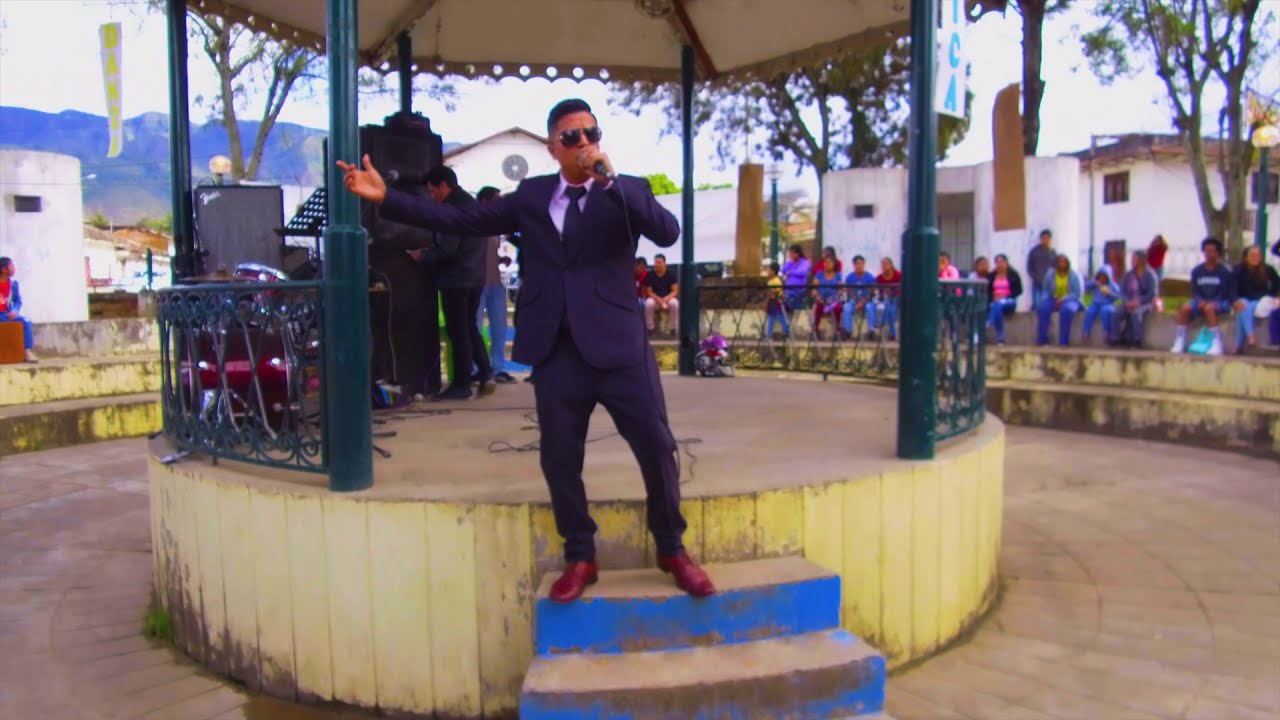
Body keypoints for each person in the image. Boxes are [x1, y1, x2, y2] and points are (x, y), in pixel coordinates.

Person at [336, 98, 714, 602]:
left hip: (619, 346)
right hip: (557, 348)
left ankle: (671, 547)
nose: (584, 144)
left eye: (591, 133)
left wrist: (611, 181)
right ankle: (580, 554)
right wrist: (389, 198)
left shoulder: (626, 190)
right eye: (572, 137)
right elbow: (463, 219)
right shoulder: (532, 196)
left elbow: (667, 231)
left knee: (657, 447)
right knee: (559, 457)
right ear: (554, 146)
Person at [419, 165, 492, 399]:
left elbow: (448, 250)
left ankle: (461, 384)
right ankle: (485, 373)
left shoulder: (450, 210)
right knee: (469, 327)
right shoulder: (472, 205)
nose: (432, 197)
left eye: (432, 191)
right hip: (476, 276)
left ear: (444, 185)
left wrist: (422, 256)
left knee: (458, 331)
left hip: (456, 278)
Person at [475, 186, 516, 384]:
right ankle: (476, 369)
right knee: (475, 326)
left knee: (499, 326)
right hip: (476, 282)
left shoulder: (496, 224)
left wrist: (501, 261)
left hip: (495, 281)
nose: (500, 203)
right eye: (496, 199)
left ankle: (498, 368)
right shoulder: (473, 221)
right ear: (484, 201)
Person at [1170, 237, 1235, 356]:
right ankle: (1180, 340)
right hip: (1201, 301)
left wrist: (1213, 303)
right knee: (1185, 308)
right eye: (1206, 251)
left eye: (1212, 251)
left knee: (1209, 308)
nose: (1208, 254)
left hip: (1220, 302)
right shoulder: (1197, 271)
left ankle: (1216, 342)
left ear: (1218, 253)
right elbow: (1195, 291)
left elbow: (1227, 292)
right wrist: (1200, 301)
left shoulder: (1225, 272)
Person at [1230, 245, 1280, 354]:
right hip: (1243, 300)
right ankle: (1250, 337)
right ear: (1245, 257)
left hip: (1261, 300)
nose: (1255, 258)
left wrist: (1276, 296)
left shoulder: (1267, 269)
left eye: (1258, 255)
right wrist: (1234, 301)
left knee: (1244, 308)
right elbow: (1231, 288)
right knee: (1243, 305)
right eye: (1252, 255)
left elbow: (1277, 285)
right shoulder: (1238, 270)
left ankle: (1240, 344)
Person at [1111, 250, 1157, 347]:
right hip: (1129, 301)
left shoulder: (1150, 275)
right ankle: (1115, 339)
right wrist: (1127, 302)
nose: (1132, 261)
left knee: (1136, 313)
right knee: (1116, 313)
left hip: (1145, 303)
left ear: (1141, 260)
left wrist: (1138, 302)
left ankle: (1136, 340)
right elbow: (1122, 292)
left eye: (1134, 259)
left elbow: (1152, 294)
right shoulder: (1128, 275)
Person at [1036, 254, 1082, 346]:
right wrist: (1046, 299)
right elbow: (1045, 289)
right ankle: (1042, 340)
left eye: (1064, 262)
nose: (1062, 264)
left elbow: (1077, 293)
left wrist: (1063, 299)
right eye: (1060, 261)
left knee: (1066, 310)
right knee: (1043, 308)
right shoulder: (1050, 274)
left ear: (1067, 263)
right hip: (1053, 298)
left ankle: (1063, 341)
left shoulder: (1073, 275)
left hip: (1070, 300)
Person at [0, 257, 35, 363]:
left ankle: (27, 351)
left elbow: (17, 301)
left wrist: (14, 311)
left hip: (5, 315)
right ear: (4, 269)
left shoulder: (13, 285)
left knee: (26, 322)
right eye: (12, 266)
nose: (14, 269)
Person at [985, 254, 1022, 345]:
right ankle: (1001, 338)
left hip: (1009, 301)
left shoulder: (1013, 274)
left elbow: (1019, 290)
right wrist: (993, 297)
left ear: (1006, 263)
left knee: (998, 305)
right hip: (995, 301)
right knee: (997, 307)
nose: (1000, 264)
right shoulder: (991, 276)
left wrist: (1006, 296)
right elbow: (987, 291)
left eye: (1002, 262)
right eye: (998, 262)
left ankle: (989, 322)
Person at [643, 253, 679, 337]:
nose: (657, 264)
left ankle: (673, 328)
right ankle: (650, 328)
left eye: (659, 262)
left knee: (674, 303)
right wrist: (658, 299)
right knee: (648, 303)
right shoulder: (650, 275)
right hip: (655, 299)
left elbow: (675, 291)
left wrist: (666, 299)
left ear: (664, 263)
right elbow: (649, 292)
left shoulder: (671, 274)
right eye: (656, 262)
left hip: (668, 299)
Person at [842, 255, 876, 338]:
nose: (859, 266)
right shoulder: (849, 277)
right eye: (857, 264)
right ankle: (847, 331)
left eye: (861, 263)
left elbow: (872, 292)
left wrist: (863, 302)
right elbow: (848, 291)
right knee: (847, 307)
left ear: (864, 264)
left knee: (870, 307)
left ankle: (871, 331)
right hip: (854, 301)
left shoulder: (869, 277)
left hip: (867, 301)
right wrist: (856, 301)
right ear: (854, 265)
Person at [810, 255, 844, 338]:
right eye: (825, 262)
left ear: (834, 264)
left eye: (829, 262)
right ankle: (815, 330)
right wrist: (818, 297)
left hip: (833, 300)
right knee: (819, 306)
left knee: (838, 308)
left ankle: (837, 331)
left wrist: (835, 298)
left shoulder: (838, 275)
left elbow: (841, 289)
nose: (827, 264)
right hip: (821, 299)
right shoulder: (819, 275)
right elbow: (814, 289)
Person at [1081, 269, 1119, 340]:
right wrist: (1094, 283)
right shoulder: (1095, 283)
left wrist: (1109, 294)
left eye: (1104, 277)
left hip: (1107, 303)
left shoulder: (1112, 285)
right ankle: (1086, 332)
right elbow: (1085, 287)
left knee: (1105, 311)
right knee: (1090, 312)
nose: (1102, 278)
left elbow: (1117, 296)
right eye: (1101, 276)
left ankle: (1106, 331)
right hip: (1095, 303)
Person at [872, 257, 901, 341]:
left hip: (897, 299)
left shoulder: (898, 275)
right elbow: (876, 292)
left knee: (890, 306)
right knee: (888, 307)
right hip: (885, 300)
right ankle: (892, 333)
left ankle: (880, 326)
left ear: (891, 265)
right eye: (883, 264)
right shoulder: (879, 278)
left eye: (886, 264)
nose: (884, 266)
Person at [1026, 229, 1056, 309]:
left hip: (1048, 284)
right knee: (1037, 305)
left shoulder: (1053, 253)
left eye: (1047, 238)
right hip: (1037, 283)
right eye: (1043, 238)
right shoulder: (1034, 252)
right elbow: (1029, 266)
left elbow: (1055, 268)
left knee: (1046, 305)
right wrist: (1034, 277)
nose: (1045, 240)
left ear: (1050, 239)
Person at [763, 261, 789, 339]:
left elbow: (778, 291)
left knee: (780, 317)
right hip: (772, 302)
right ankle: (769, 334)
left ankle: (786, 332)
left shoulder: (776, 280)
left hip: (777, 302)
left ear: (773, 271)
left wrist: (773, 294)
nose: (767, 271)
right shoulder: (770, 281)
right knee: (771, 318)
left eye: (769, 269)